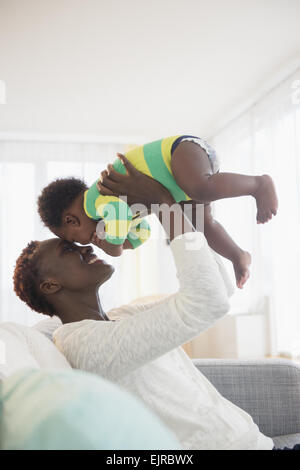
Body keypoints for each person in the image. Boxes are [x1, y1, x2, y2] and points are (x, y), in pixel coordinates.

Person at [14, 163, 274, 450]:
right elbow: (207, 301)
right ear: (50, 286)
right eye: (69, 250)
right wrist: (163, 207)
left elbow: (218, 290)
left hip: (255, 440)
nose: (87, 247)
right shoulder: (86, 346)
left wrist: (188, 210)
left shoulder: (121, 317)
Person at [37, 135, 278, 288]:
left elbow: (120, 212)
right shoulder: (107, 215)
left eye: (72, 239)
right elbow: (143, 227)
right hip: (179, 186)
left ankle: (259, 184)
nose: (82, 244)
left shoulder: (96, 199)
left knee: (201, 188)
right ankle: (238, 255)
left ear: (72, 220)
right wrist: (128, 242)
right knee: (203, 225)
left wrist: (114, 246)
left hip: (179, 154)